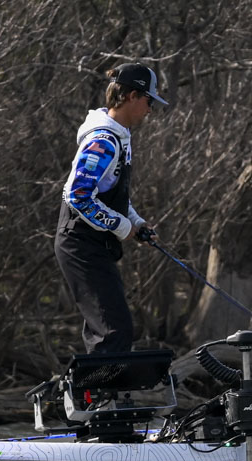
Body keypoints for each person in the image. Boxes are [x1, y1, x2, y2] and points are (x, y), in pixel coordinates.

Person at [55, 62, 167, 354]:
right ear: (132, 96)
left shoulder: (120, 138)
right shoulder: (103, 140)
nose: (151, 109)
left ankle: (98, 385)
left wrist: (136, 223)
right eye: (149, 101)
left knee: (113, 329)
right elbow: (78, 195)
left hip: (95, 245)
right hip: (79, 245)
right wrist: (122, 226)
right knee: (113, 332)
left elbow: (110, 194)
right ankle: (98, 387)